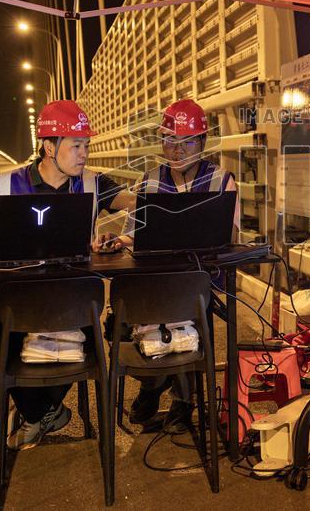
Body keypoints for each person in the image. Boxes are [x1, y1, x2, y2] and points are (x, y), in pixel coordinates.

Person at [0, 100, 135, 450]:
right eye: (77, 146)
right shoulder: (8, 183)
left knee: (78, 347)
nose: (85, 153)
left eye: (86, 145)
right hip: (17, 297)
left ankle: (35, 413)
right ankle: (42, 411)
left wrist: (121, 237)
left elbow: (138, 203)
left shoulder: (94, 183)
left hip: (73, 297)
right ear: (49, 146)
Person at [111, 98, 240, 433]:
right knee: (125, 314)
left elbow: (232, 235)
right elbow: (131, 234)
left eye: (186, 142)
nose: (177, 150)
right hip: (154, 277)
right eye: (170, 140)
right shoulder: (148, 182)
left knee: (184, 308)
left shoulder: (221, 181)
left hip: (198, 280)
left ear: (203, 141)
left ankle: (182, 399)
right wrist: (117, 242)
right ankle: (153, 384)